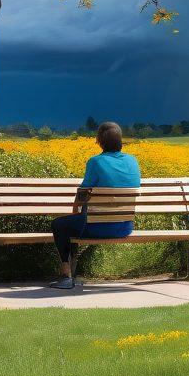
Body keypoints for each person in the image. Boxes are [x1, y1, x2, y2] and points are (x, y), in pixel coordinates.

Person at [48, 121, 141, 290]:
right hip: (125, 227)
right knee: (72, 222)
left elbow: (83, 194)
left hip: (97, 227)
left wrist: (75, 209)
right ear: (121, 140)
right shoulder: (132, 161)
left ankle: (66, 274)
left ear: (100, 141)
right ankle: (72, 272)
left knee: (59, 224)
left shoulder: (96, 162)